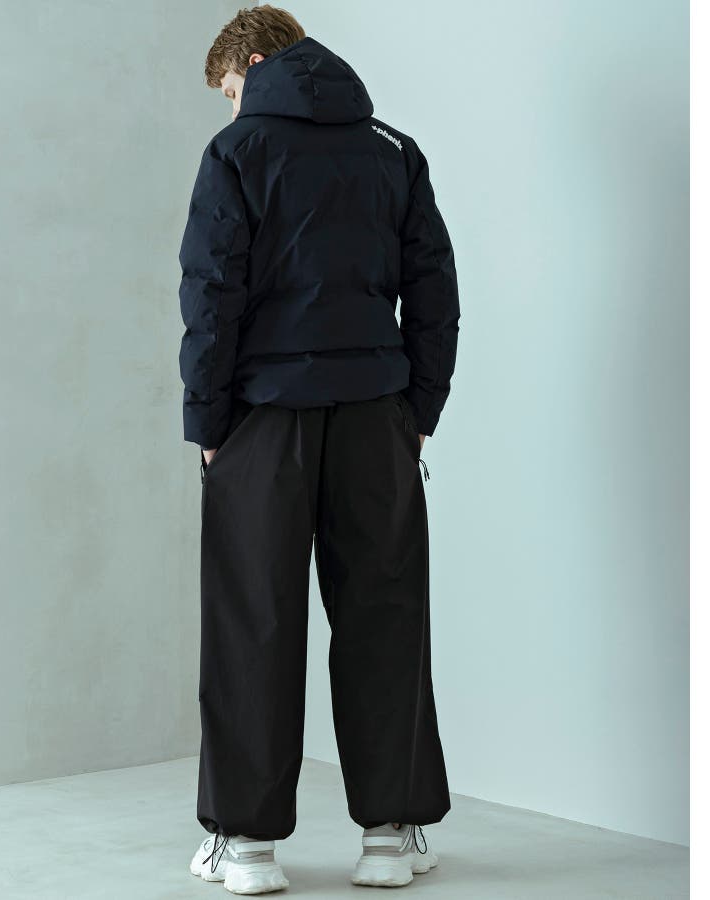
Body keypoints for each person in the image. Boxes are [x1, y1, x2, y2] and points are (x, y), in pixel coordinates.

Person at [178, 5, 460, 893]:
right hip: (378, 415)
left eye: (232, 88)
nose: (233, 106)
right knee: (385, 615)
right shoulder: (392, 149)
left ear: (258, 61)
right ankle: (391, 837)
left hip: (263, 420)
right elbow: (435, 289)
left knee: (252, 621)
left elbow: (211, 297)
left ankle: (246, 847)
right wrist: (420, 409)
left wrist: (208, 425)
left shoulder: (238, 152)